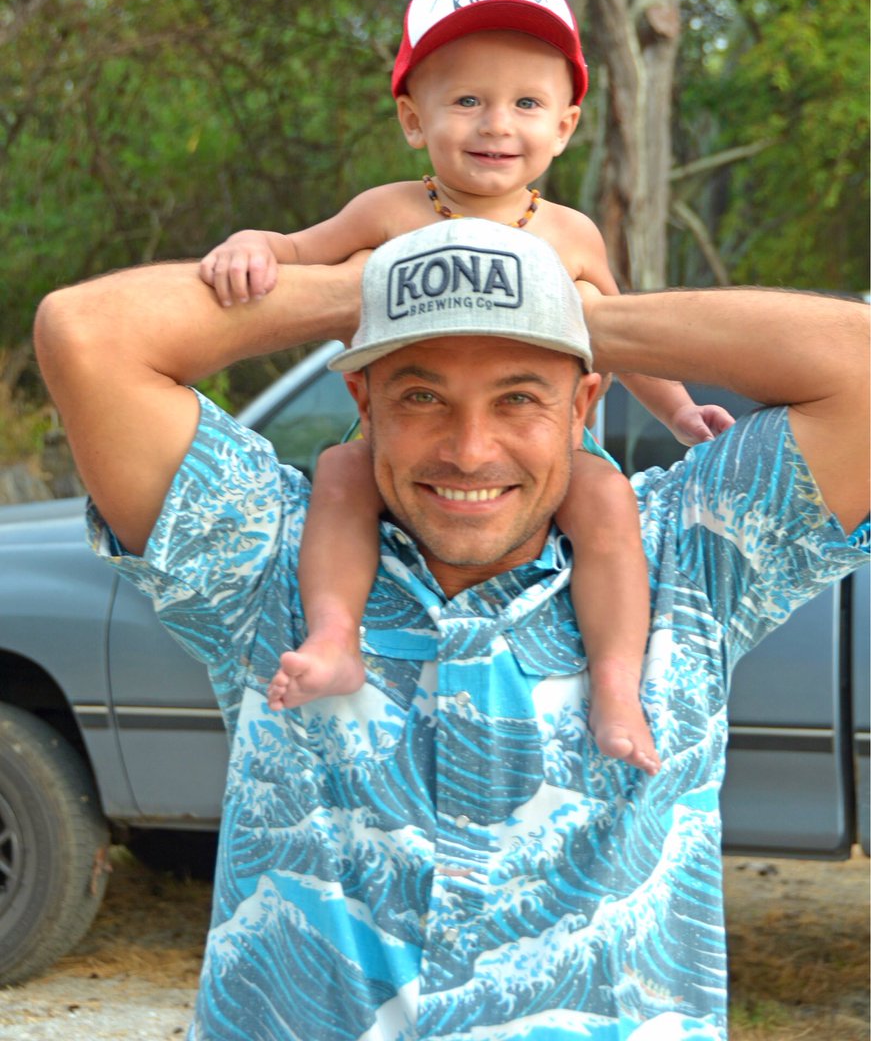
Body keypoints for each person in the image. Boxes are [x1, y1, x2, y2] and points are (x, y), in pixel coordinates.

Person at [34, 217, 868, 1040]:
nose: (470, 451)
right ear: (362, 399)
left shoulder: (689, 561)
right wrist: (389, 285)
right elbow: (87, 334)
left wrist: (565, 309)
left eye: (519, 397)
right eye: (422, 395)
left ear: (584, 400)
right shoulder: (267, 560)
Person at [199, 0, 733, 773]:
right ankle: (334, 635)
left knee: (607, 502)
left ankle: (618, 685)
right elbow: (295, 252)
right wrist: (249, 247)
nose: (496, 124)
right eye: (467, 101)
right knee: (341, 472)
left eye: (526, 102)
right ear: (414, 119)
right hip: (404, 442)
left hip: (542, 450)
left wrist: (678, 412)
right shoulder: (388, 211)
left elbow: (625, 335)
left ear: (564, 125)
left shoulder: (572, 234)